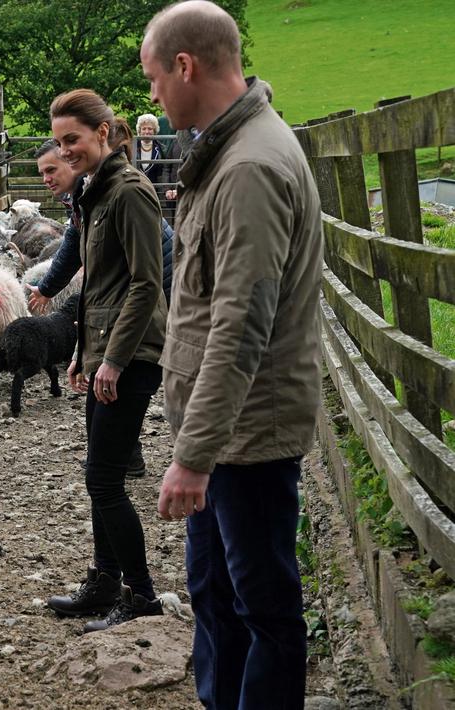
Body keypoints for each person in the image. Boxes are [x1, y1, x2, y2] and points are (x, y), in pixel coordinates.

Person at [142, 2, 322, 707]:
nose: (152, 95)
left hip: (245, 436)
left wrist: (194, 454)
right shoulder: (231, 153)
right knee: (216, 593)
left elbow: (240, 321)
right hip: (225, 432)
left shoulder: (248, 168)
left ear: (185, 66)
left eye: (155, 77)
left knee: (260, 606)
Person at [41, 89, 168, 633]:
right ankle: (104, 579)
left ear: (104, 132)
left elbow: (146, 283)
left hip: (134, 355)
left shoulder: (131, 192)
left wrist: (112, 360)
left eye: (73, 140)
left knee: (104, 478)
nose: (65, 152)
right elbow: (97, 285)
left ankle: (140, 593)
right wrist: (81, 355)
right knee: (101, 473)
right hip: (107, 352)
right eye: (59, 142)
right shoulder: (97, 191)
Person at [135, 114, 166, 187]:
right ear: (139, 130)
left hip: (154, 189)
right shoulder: (132, 147)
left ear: (154, 130)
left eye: (150, 129)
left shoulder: (162, 149)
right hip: (136, 187)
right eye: (144, 129)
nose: (146, 132)